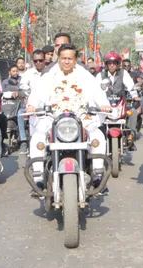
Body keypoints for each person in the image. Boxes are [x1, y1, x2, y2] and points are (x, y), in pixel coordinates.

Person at [27, 44, 111, 193]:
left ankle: (98, 176)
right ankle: (38, 179)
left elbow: (97, 93)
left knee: (98, 136)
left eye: (70, 59)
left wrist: (104, 105)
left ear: (75, 59)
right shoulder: (49, 76)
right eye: (63, 58)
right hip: (53, 118)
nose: (66, 61)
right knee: (38, 139)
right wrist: (32, 105)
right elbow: (37, 95)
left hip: (80, 117)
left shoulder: (85, 76)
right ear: (58, 59)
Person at [96, 51, 140, 147]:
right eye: (109, 63)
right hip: (105, 106)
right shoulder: (100, 75)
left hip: (120, 104)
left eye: (114, 63)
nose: (112, 65)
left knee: (133, 112)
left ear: (118, 64)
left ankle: (130, 135)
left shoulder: (123, 73)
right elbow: (96, 90)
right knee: (95, 120)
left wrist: (135, 96)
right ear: (106, 64)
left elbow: (130, 86)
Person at [18, 49, 46, 153]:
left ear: (45, 60)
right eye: (35, 61)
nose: (38, 63)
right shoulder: (28, 74)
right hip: (34, 110)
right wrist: (26, 99)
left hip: (49, 109)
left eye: (40, 60)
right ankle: (25, 143)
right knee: (35, 137)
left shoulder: (51, 73)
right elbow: (23, 89)